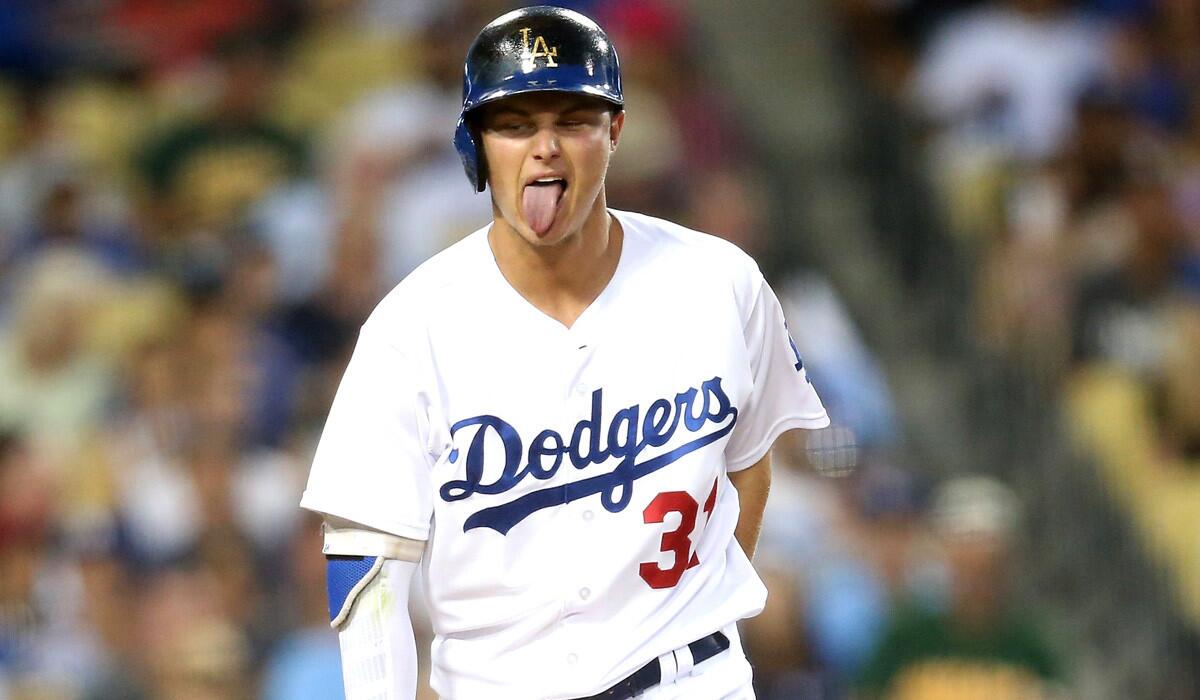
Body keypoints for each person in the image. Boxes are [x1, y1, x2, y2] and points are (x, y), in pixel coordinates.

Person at [299, 6, 829, 699]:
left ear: (615, 132)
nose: (544, 146)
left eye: (572, 120)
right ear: (475, 145)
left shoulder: (718, 283)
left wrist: (693, 599)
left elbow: (750, 466)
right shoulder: (411, 328)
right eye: (515, 124)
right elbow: (368, 575)